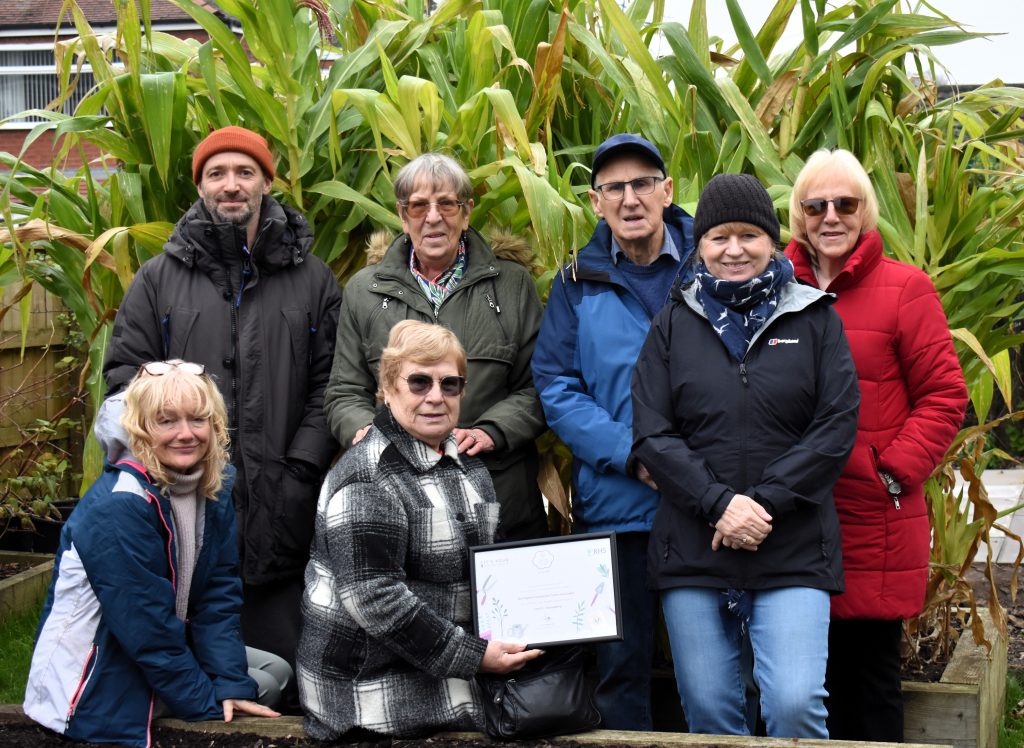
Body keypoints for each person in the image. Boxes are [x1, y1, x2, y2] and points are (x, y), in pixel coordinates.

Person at [102, 126, 342, 676]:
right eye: (217, 174)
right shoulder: (159, 280)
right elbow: (124, 380)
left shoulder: (314, 280)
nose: (230, 185)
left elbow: (331, 380)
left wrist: (301, 466)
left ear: (265, 182)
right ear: (201, 186)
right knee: (191, 670)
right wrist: (169, 461)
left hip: (284, 497)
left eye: (244, 172)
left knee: (286, 676)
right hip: (183, 495)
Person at [631, 173, 860, 738]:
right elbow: (653, 433)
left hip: (792, 544)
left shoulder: (815, 319)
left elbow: (835, 426)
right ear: (701, 245)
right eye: (718, 238)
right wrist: (719, 504)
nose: (733, 250)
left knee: (794, 704)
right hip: (693, 546)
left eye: (749, 236)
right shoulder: (673, 324)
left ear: (773, 240)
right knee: (709, 713)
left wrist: (760, 505)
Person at [785, 149, 968, 742]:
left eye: (847, 203)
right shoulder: (773, 288)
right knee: (803, 683)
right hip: (791, 517)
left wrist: (890, 472)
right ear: (799, 214)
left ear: (868, 212)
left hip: (872, 517)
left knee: (870, 683)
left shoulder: (904, 290)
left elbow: (945, 395)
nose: (831, 216)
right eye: (817, 205)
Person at [23, 361, 288, 748]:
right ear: (140, 428)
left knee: (271, 673)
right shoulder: (119, 507)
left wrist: (231, 684)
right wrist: (209, 708)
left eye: (198, 420)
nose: (186, 434)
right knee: (260, 689)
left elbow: (218, 593)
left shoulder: (210, 485)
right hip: (100, 674)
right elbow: (147, 630)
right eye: (166, 421)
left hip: (160, 645)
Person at [299, 320, 542, 738]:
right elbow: (377, 601)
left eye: (450, 384)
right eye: (418, 382)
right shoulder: (367, 478)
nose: (435, 397)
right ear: (388, 388)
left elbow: (487, 575)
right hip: (367, 688)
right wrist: (477, 657)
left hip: (440, 667)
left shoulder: (470, 467)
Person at [531, 133, 693, 730]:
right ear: (596, 203)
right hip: (620, 505)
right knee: (621, 670)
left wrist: (694, 468)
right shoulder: (577, 281)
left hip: (709, 504)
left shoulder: (716, 259)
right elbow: (556, 384)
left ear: (667, 191)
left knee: (719, 661)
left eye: (643, 183)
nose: (630, 199)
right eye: (613, 188)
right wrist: (633, 456)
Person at [323, 152, 547, 540]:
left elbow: (539, 387)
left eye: (446, 203)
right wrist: (365, 434)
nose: (433, 216)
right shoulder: (364, 290)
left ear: (466, 211)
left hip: (497, 494)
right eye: (418, 205)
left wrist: (491, 431)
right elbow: (344, 391)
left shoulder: (513, 285)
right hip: (395, 495)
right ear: (402, 214)